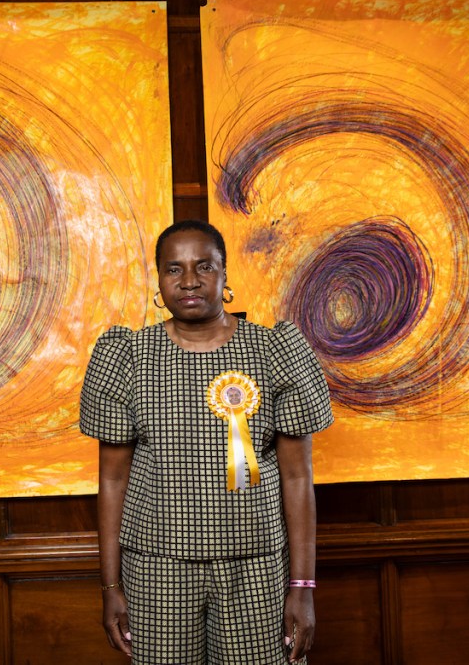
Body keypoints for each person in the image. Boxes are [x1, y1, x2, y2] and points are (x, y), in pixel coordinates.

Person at [80, 220, 334, 664]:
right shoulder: (128, 357)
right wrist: (110, 586)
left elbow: (297, 477)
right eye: (173, 269)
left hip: (256, 568)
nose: (189, 280)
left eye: (204, 266)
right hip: (157, 571)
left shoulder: (273, 351)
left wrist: (302, 586)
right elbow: (112, 482)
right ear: (159, 279)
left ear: (224, 273)